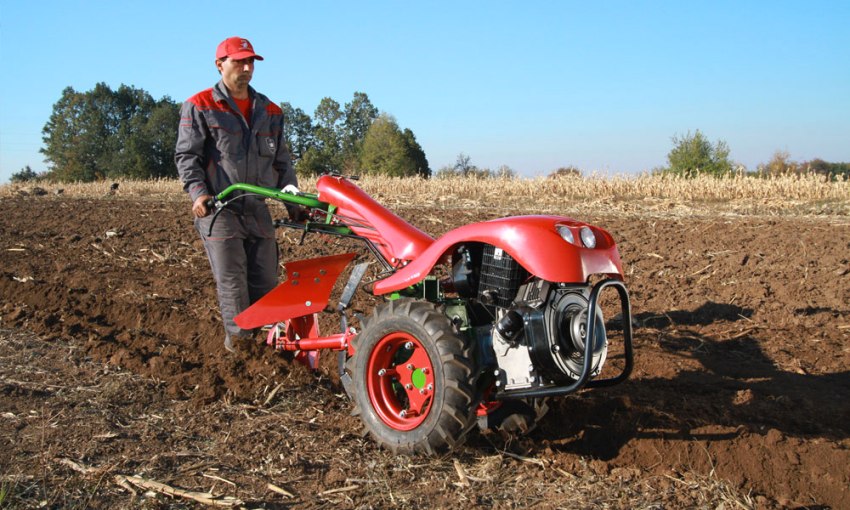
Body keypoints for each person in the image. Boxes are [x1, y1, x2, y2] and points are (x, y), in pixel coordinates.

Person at [175, 36, 300, 352]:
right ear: (220, 64)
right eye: (239, 62)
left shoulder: (270, 110)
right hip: (221, 208)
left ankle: (267, 350)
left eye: (250, 62)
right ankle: (241, 353)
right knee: (233, 284)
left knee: (265, 283)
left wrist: (294, 203)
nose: (246, 68)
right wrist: (198, 194)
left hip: (256, 207)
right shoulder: (201, 105)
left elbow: (282, 163)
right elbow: (187, 156)